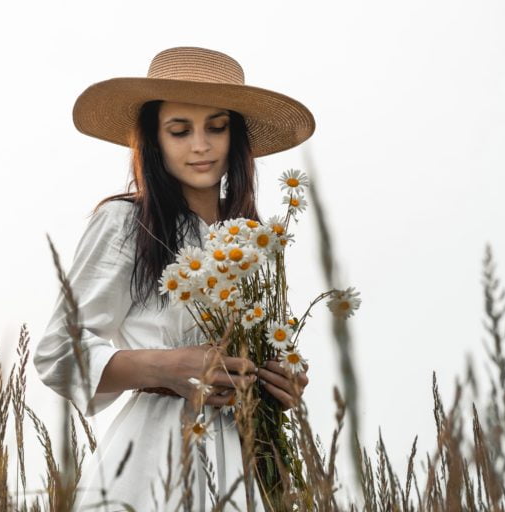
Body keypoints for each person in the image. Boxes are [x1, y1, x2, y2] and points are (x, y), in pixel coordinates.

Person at [34, 46, 315, 511]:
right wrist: (169, 366)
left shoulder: (253, 239)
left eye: (216, 127)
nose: (200, 145)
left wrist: (281, 380)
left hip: (248, 457)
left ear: (236, 138)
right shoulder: (127, 223)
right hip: (153, 458)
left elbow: (263, 345)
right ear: (154, 140)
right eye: (179, 130)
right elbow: (57, 352)